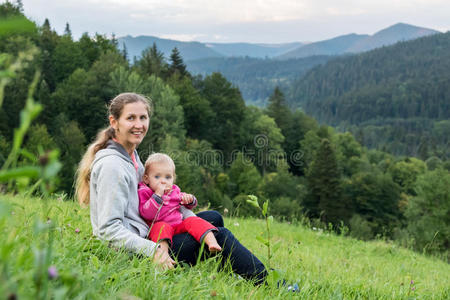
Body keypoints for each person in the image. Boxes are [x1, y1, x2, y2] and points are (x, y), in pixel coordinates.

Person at [75, 92, 267, 284]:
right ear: (114, 122)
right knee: (221, 235)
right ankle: (268, 281)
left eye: (143, 117)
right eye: (130, 118)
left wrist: (187, 212)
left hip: (149, 230)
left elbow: (157, 197)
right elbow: (108, 229)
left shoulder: (131, 156)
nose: (139, 125)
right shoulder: (113, 167)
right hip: (134, 251)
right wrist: (154, 251)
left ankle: (234, 269)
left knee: (213, 219)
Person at [138, 152, 221, 253]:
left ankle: (211, 241)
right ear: (146, 179)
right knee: (160, 227)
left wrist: (189, 200)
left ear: (173, 178)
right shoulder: (145, 192)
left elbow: (185, 202)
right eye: (157, 177)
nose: (163, 181)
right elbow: (147, 214)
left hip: (178, 225)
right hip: (160, 228)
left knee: (193, 221)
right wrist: (157, 195)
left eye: (168, 177)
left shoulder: (174, 190)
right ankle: (162, 255)